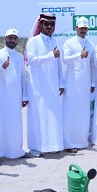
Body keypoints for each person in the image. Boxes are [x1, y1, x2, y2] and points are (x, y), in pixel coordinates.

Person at [26, 13, 65, 157]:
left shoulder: (54, 41)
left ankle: (52, 145)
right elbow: (32, 61)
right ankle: (36, 147)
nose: (49, 26)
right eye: (46, 24)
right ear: (40, 25)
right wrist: (50, 55)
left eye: (52, 24)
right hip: (38, 86)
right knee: (38, 116)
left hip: (52, 85)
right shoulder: (33, 41)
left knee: (52, 116)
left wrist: (61, 82)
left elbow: (58, 64)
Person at [0, 28, 29, 165]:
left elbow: (23, 77)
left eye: (15, 38)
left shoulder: (19, 57)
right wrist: (4, 67)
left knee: (15, 124)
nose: (12, 40)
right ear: (4, 39)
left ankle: (17, 151)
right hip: (1, 96)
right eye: (10, 38)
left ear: (18, 40)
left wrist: (24, 96)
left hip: (15, 97)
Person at [62, 17, 96, 153]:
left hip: (85, 83)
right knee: (71, 112)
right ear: (76, 28)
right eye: (81, 28)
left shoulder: (90, 44)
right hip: (72, 83)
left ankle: (82, 141)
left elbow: (92, 64)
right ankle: (69, 143)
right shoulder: (69, 43)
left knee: (83, 112)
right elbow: (65, 60)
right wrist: (79, 55)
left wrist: (93, 82)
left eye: (85, 28)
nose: (83, 30)